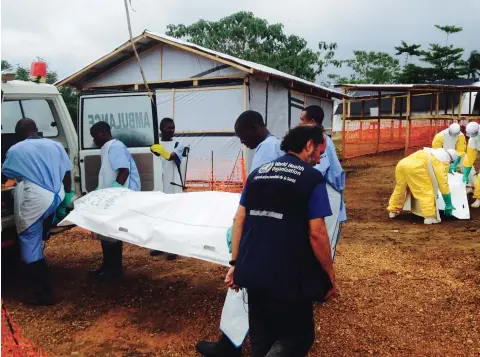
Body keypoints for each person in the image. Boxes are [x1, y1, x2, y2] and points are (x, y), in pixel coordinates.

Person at [227, 125, 334, 357]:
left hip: (252, 270)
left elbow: (239, 219)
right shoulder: (311, 178)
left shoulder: (258, 174)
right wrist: (329, 275)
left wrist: (235, 264)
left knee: (261, 337)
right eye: (319, 152)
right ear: (308, 145)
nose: (318, 160)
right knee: (298, 337)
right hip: (288, 275)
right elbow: (317, 233)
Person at [196, 110, 284, 357]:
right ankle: (265, 338)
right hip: (274, 228)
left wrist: (242, 228)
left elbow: (258, 191)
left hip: (260, 226)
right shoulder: (276, 145)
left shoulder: (267, 149)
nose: (242, 141)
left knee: (243, 285)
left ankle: (230, 345)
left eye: (242, 135)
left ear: (255, 127)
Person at [2, 118, 74, 305]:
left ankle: (43, 293)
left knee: (28, 241)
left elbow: (7, 175)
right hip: (57, 194)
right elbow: (67, 172)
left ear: (19, 133)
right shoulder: (55, 145)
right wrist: (67, 196)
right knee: (39, 234)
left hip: (36, 198)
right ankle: (42, 285)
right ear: (36, 129)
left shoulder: (17, 149)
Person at [89, 121, 141, 281]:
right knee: (107, 232)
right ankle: (108, 267)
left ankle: (113, 269)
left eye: (94, 137)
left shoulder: (115, 147)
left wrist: (114, 190)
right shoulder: (108, 148)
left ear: (102, 133)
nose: (94, 141)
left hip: (119, 195)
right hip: (112, 194)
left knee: (111, 232)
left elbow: (123, 171)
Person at [300, 105, 347, 250]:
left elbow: (318, 170)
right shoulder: (315, 140)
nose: (300, 123)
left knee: (325, 238)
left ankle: (325, 272)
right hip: (320, 189)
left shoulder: (322, 141)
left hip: (328, 190)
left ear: (312, 122)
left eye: (302, 120)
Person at [387, 148, 458, 224]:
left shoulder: (432, 152)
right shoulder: (442, 161)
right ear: (450, 160)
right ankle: (429, 217)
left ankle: (393, 210)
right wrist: (448, 203)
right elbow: (443, 183)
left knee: (400, 188)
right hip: (415, 168)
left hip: (402, 164)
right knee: (425, 191)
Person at [149, 118, 187, 259]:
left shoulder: (178, 143)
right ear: (161, 129)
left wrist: (162, 152)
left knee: (173, 216)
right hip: (159, 184)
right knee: (159, 215)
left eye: (173, 128)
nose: (171, 130)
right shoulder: (155, 144)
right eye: (168, 128)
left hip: (174, 184)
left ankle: (173, 247)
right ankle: (160, 245)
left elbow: (172, 157)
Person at [462, 122, 480, 208]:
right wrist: (465, 174)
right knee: (479, 178)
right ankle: (478, 198)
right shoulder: (472, 140)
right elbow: (469, 158)